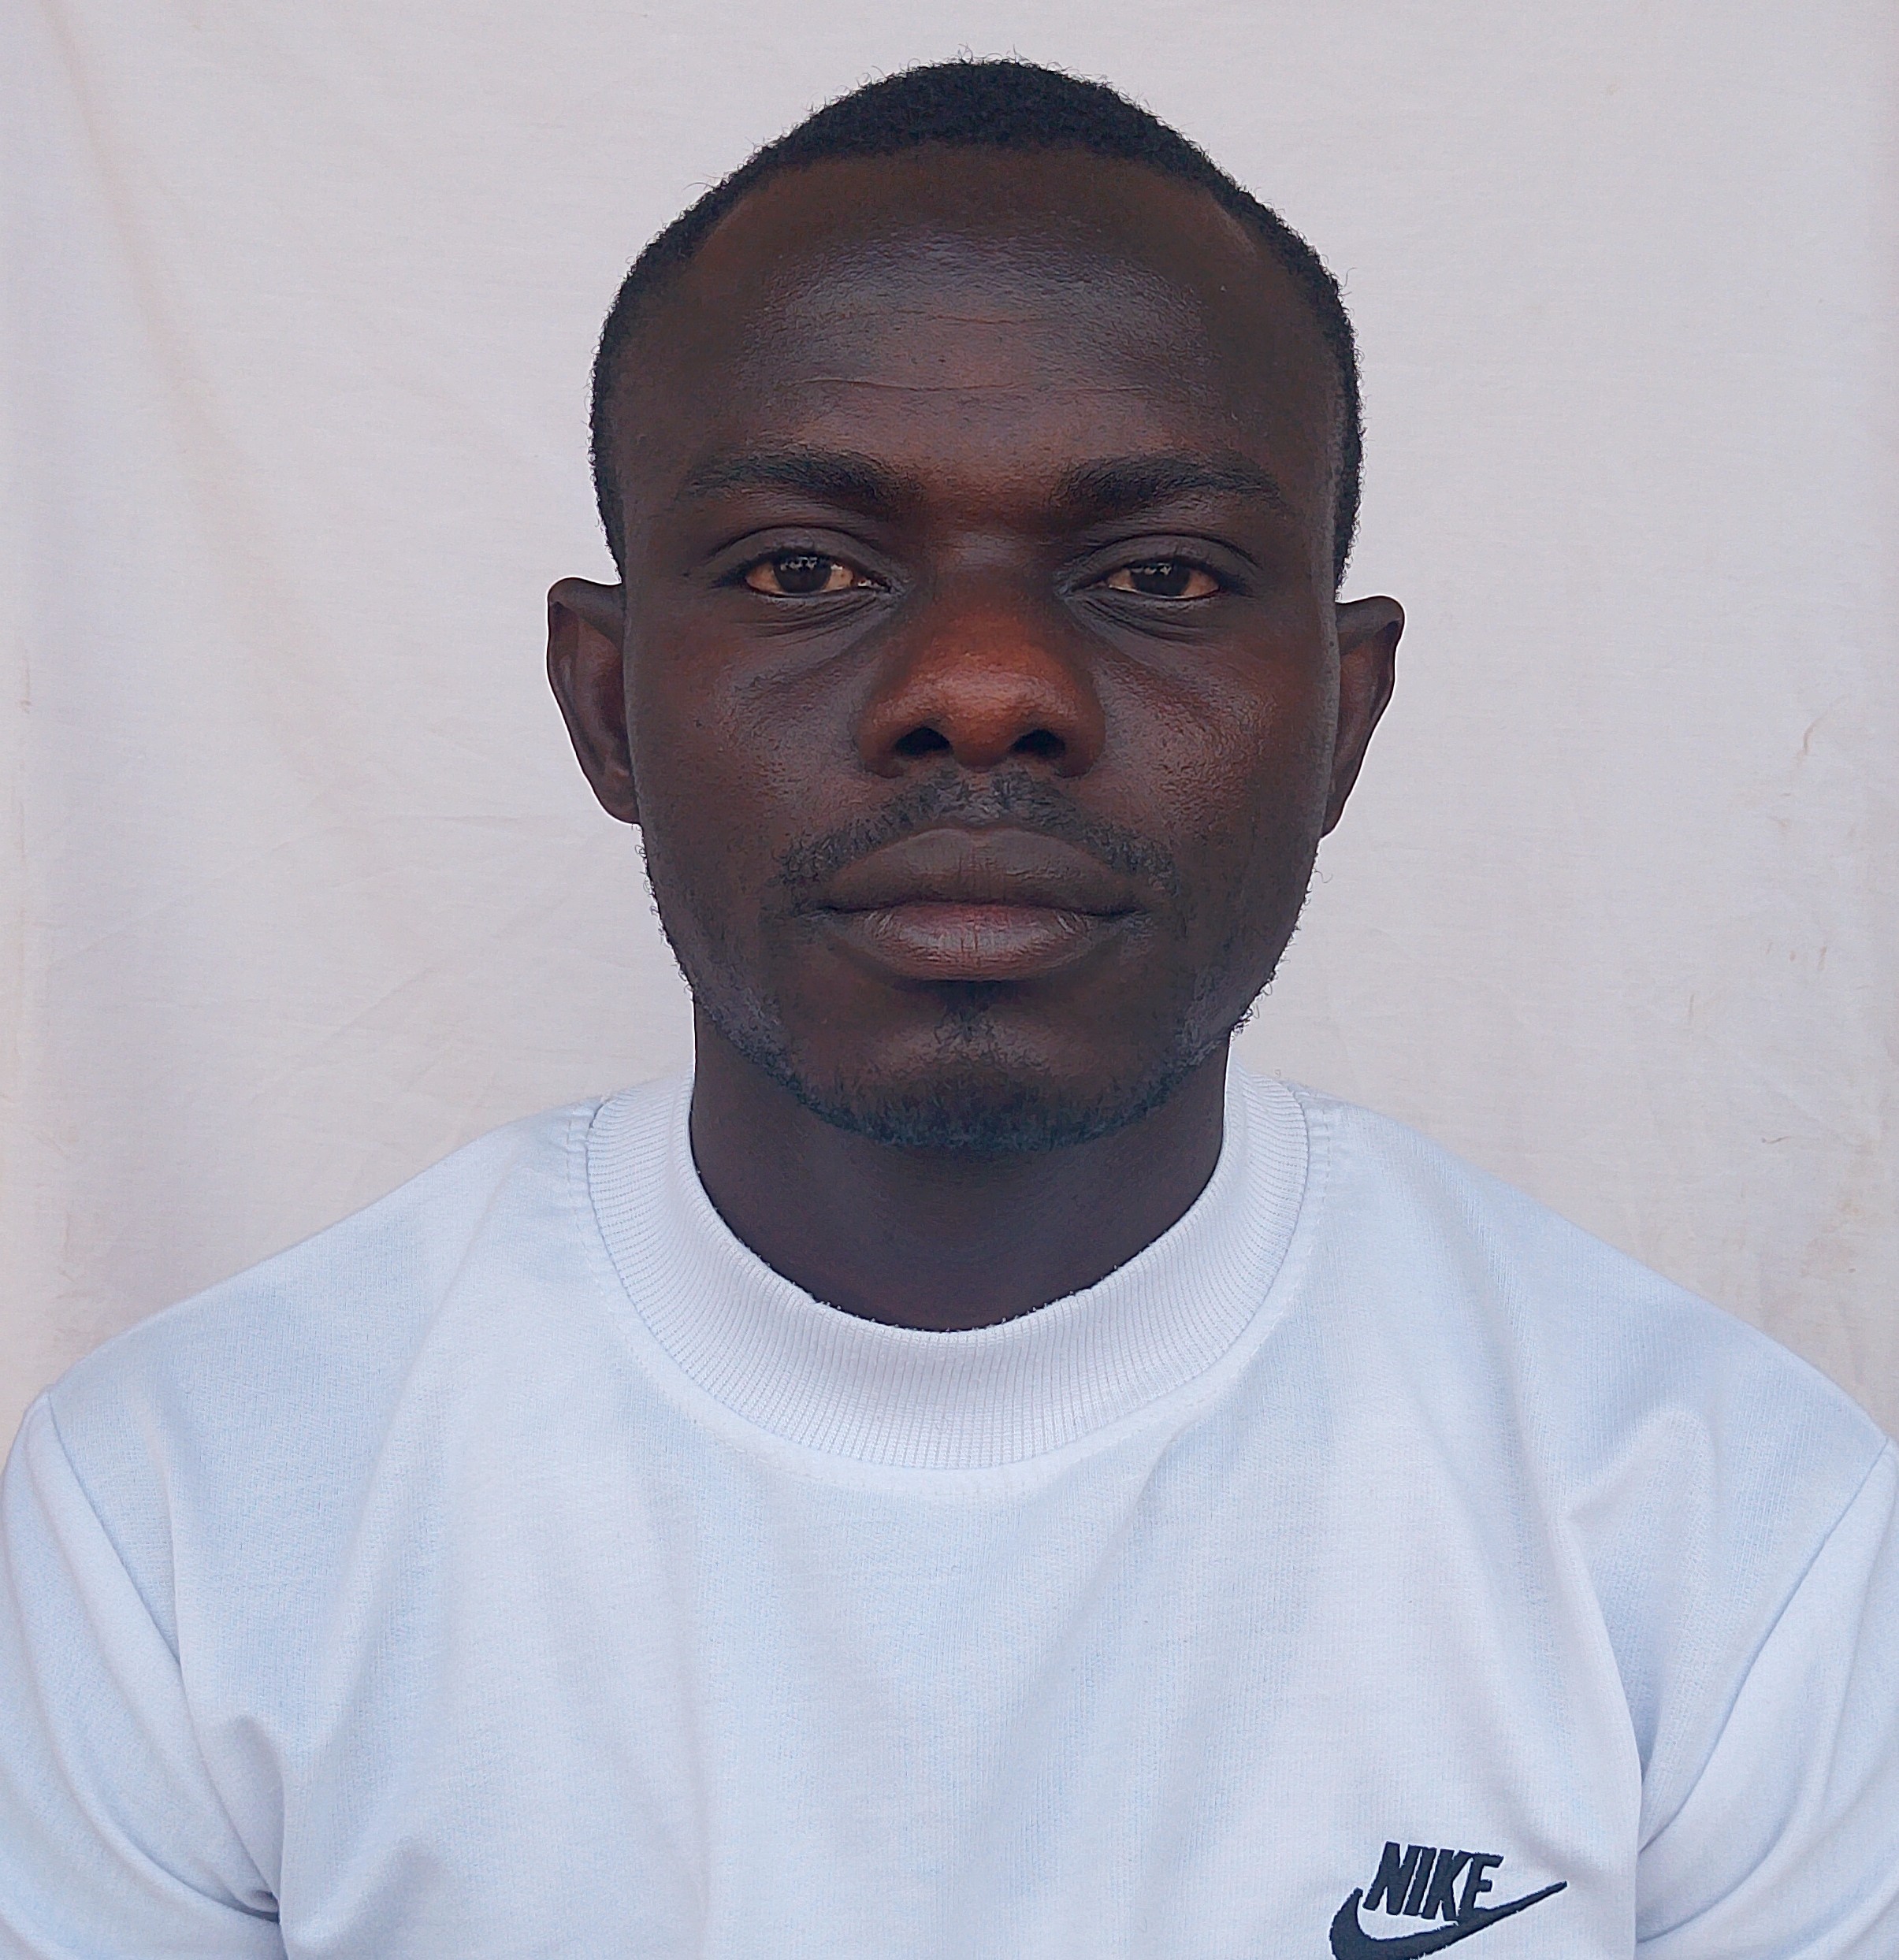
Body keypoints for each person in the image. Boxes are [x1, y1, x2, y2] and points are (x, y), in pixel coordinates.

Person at [1, 56, 1893, 1960]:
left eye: (1159, 573)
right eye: (803, 568)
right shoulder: (181, 1515)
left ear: (1344, 717)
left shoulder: (1730, 1531)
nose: (983, 688)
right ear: (606, 702)